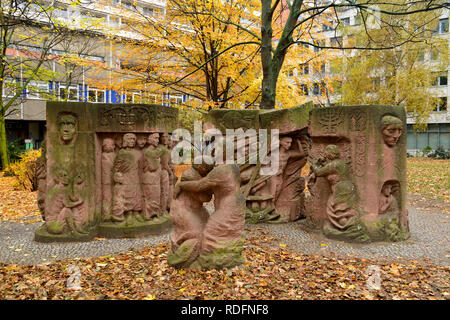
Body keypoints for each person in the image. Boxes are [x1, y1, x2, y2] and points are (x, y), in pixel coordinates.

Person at [310, 144, 357, 230]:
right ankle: (347, 225)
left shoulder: (333, 164)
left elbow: (318, 172)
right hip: (348, 187)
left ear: (330, 154)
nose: (325, 155)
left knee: (335, 208)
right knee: (343, 208)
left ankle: (343, 226)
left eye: (326, 153)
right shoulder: (341, 162)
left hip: (340, 188)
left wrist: (314, 164)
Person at [111, 133, 143, 223]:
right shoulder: (122, 152)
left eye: (133, 139)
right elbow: (116, 167)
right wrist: (117, 175)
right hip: (126, 176)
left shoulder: (138, 153)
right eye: (130, 139)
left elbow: (141, 166)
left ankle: (136, 212)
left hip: (135, 176)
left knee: (136, 193)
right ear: (125, 141)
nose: (132, 141)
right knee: (128, 194)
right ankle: (128, 214)